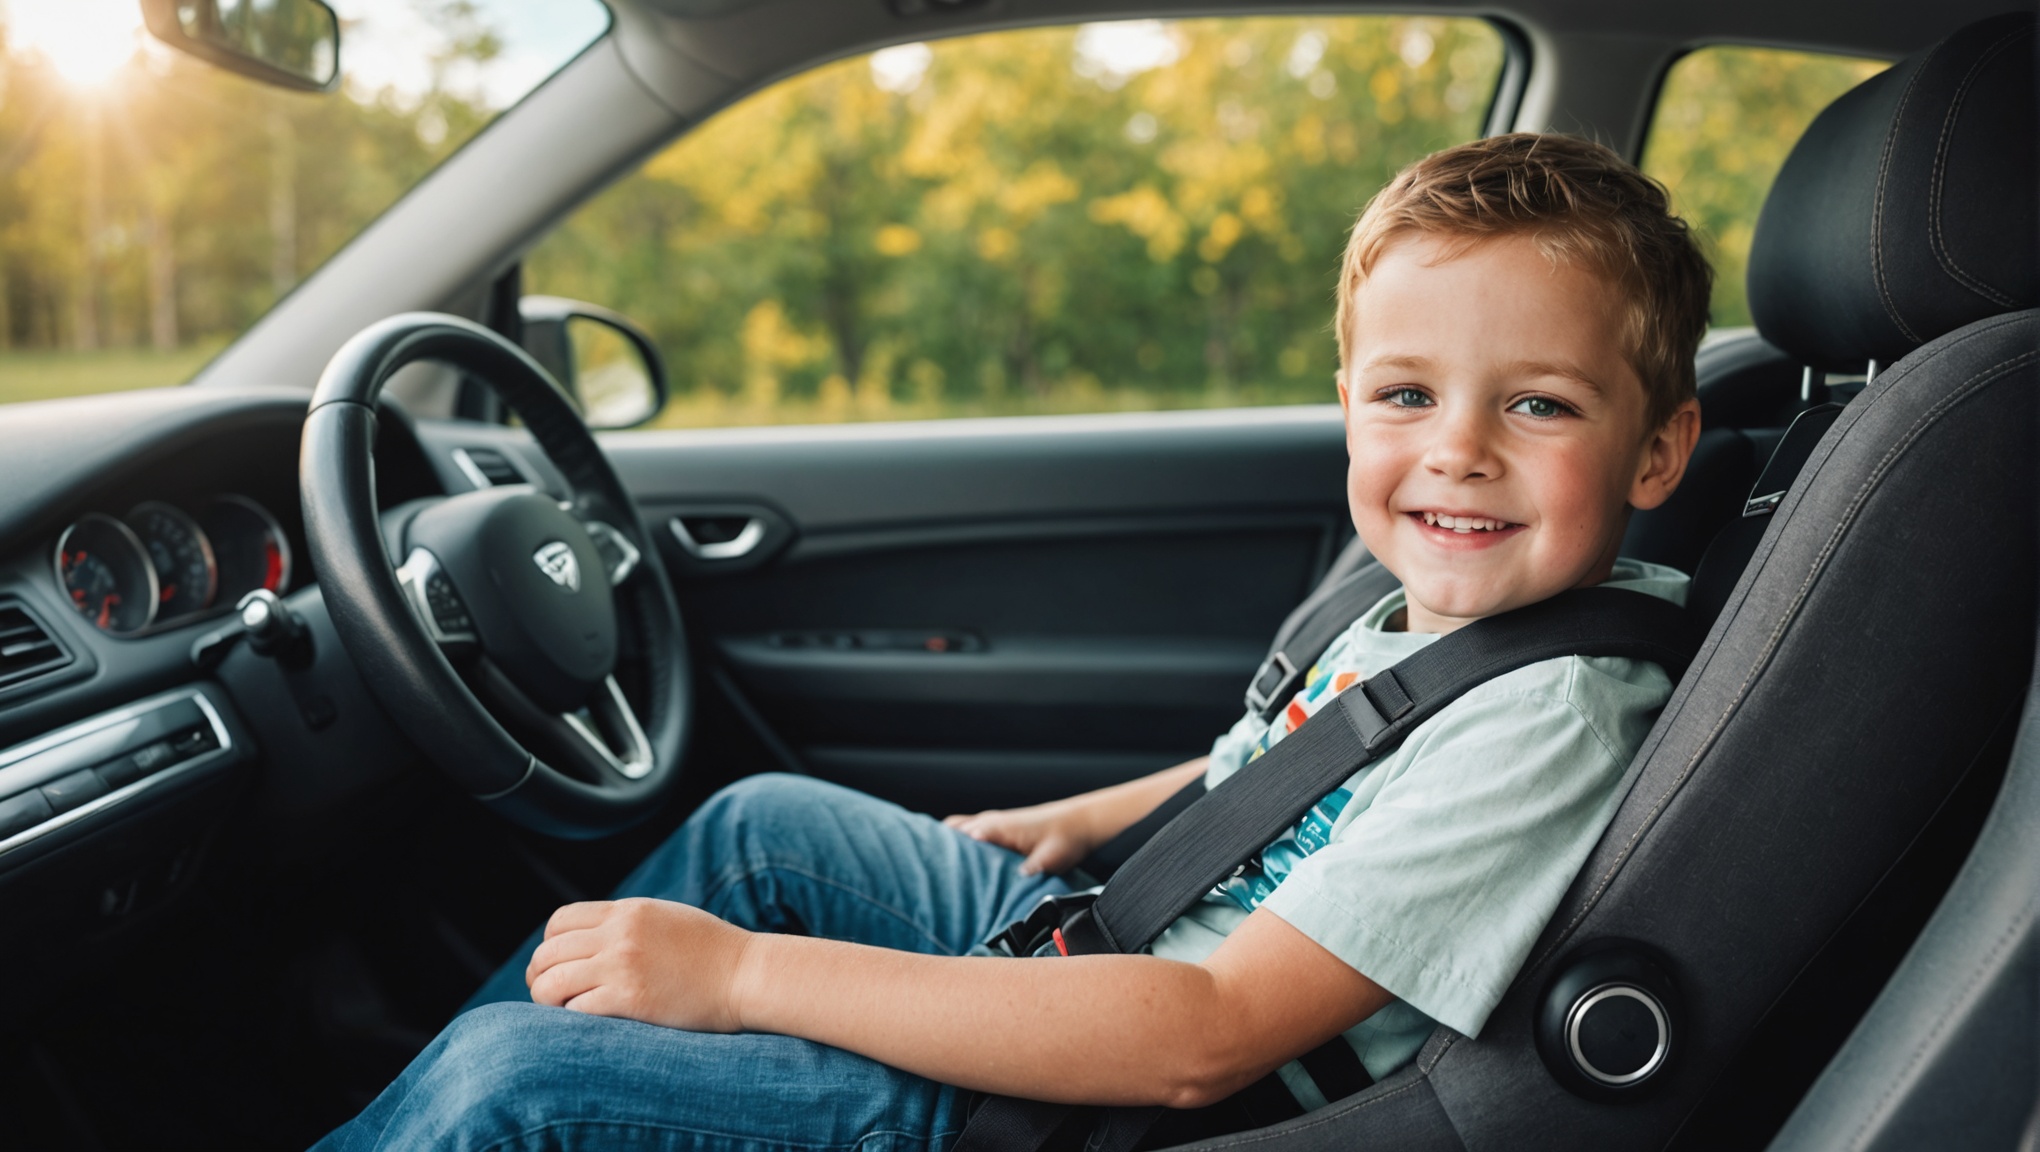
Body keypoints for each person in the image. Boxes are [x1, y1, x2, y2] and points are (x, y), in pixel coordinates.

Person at [314, 131, 1710, 1151]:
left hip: (1103, 1099)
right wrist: (1075, 817)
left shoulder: (1553, 711)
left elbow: (1206, 1038)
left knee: (519, 1083)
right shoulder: (1419, 606)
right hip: (1108, 946)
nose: (1456, 453)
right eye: (1407, 395)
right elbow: (1272, 768)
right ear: (1347, 397)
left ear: (1658, 450)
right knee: (764, 829)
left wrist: (737, 979)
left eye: (1537, 408)